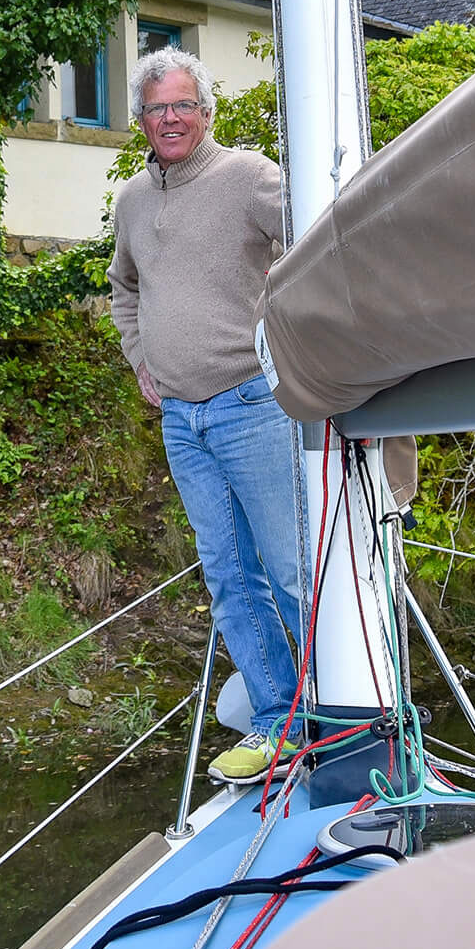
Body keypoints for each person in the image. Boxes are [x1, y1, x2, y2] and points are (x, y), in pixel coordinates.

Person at [107, 47, 307, 785]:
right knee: (229, 577)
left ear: (206, 112)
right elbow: (124, 288)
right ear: (141, 121)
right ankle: (277, 721)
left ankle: (348, 712)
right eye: (157, 108)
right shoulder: (132, 200)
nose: (170, 118)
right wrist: (139, 359)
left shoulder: (250, 177)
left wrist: (285, 336)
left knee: (293, 570)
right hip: (180, 421)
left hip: (253, 405)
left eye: (183, 104)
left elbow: (316, 243)